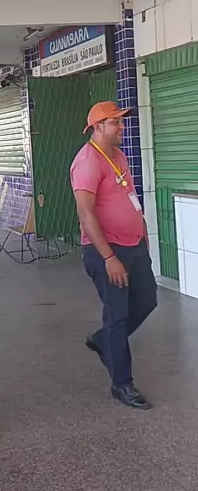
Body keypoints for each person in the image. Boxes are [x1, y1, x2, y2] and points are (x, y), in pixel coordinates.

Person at [70, 101, 157, 410]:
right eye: (115, 122)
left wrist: (142, 230)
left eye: (121, 121)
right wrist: (108, 257)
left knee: (147, 300)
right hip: (107, 250)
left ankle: (103, 340)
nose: (122, 127)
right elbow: (86, 212)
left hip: (134, 245)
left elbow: (128, 195)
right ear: (98, 127)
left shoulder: (118, 155)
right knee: (117, 316)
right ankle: (122, 383)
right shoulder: (87, 162)